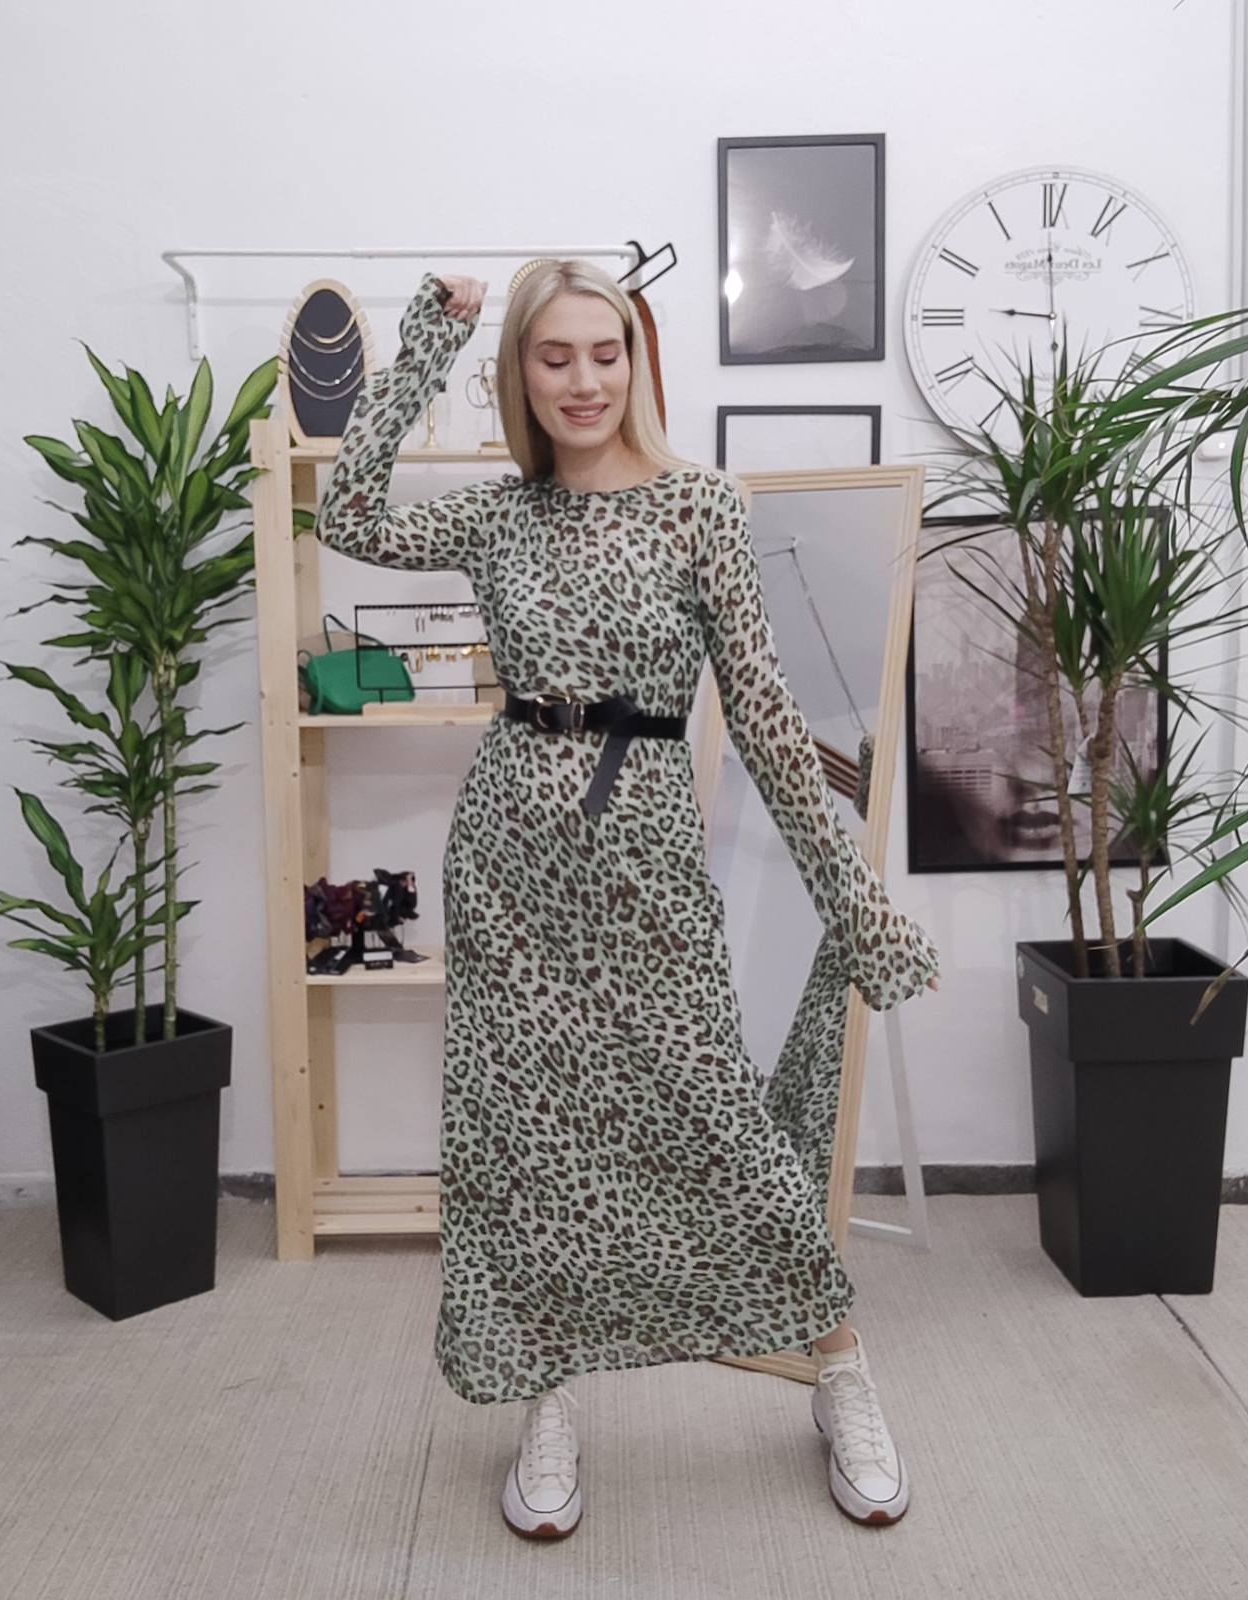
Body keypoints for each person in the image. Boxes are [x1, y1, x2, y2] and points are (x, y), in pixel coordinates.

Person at [313, 263, 940, 1538]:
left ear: (636, 360)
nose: (584, 379)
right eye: (553, 356)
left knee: (719, 1121)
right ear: (522, 373)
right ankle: (545, 1402)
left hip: (645, 858)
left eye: (604, 352)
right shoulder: (499, 515)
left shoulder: (699, 506)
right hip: (508, 860)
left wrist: (852, 900)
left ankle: (839, 1370)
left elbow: (765, 719)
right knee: (527, 1144)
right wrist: (432, 337)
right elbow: (349, 510)